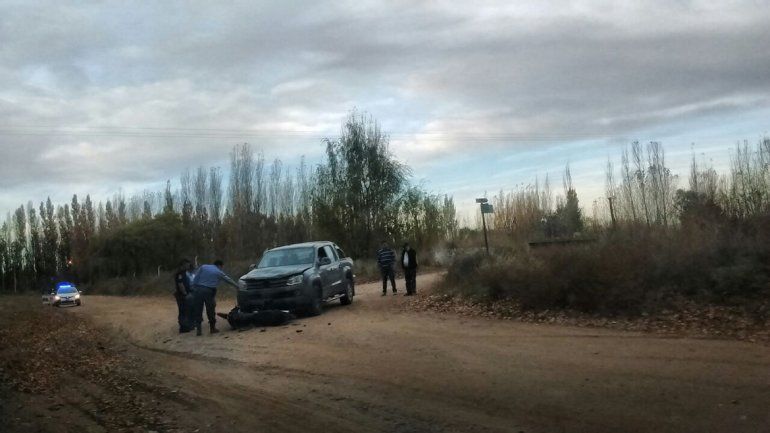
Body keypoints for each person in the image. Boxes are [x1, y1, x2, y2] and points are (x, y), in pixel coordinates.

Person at [190, 260, 240, 336]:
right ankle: (212, 328)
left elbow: (196, 277)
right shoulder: (218, 272)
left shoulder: (204, 267)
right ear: (220, 266)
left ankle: (199, 330)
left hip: (198, 290)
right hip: (209, 291)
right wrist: (237, 286)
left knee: (198, 309)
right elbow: (228, 280)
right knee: (210, 309)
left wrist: (193, 287)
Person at [173, 259, 193, 333]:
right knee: (183, 311)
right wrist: (185, 294)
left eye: (189, 264)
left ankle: (186, 326)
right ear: (182, 265)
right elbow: (180, 284)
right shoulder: (180, 274)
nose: (188, 266)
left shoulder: (185, 273)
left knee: (186, 311)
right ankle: (183, 328)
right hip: (182, 295)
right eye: (187, 265)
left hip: (185, 294)